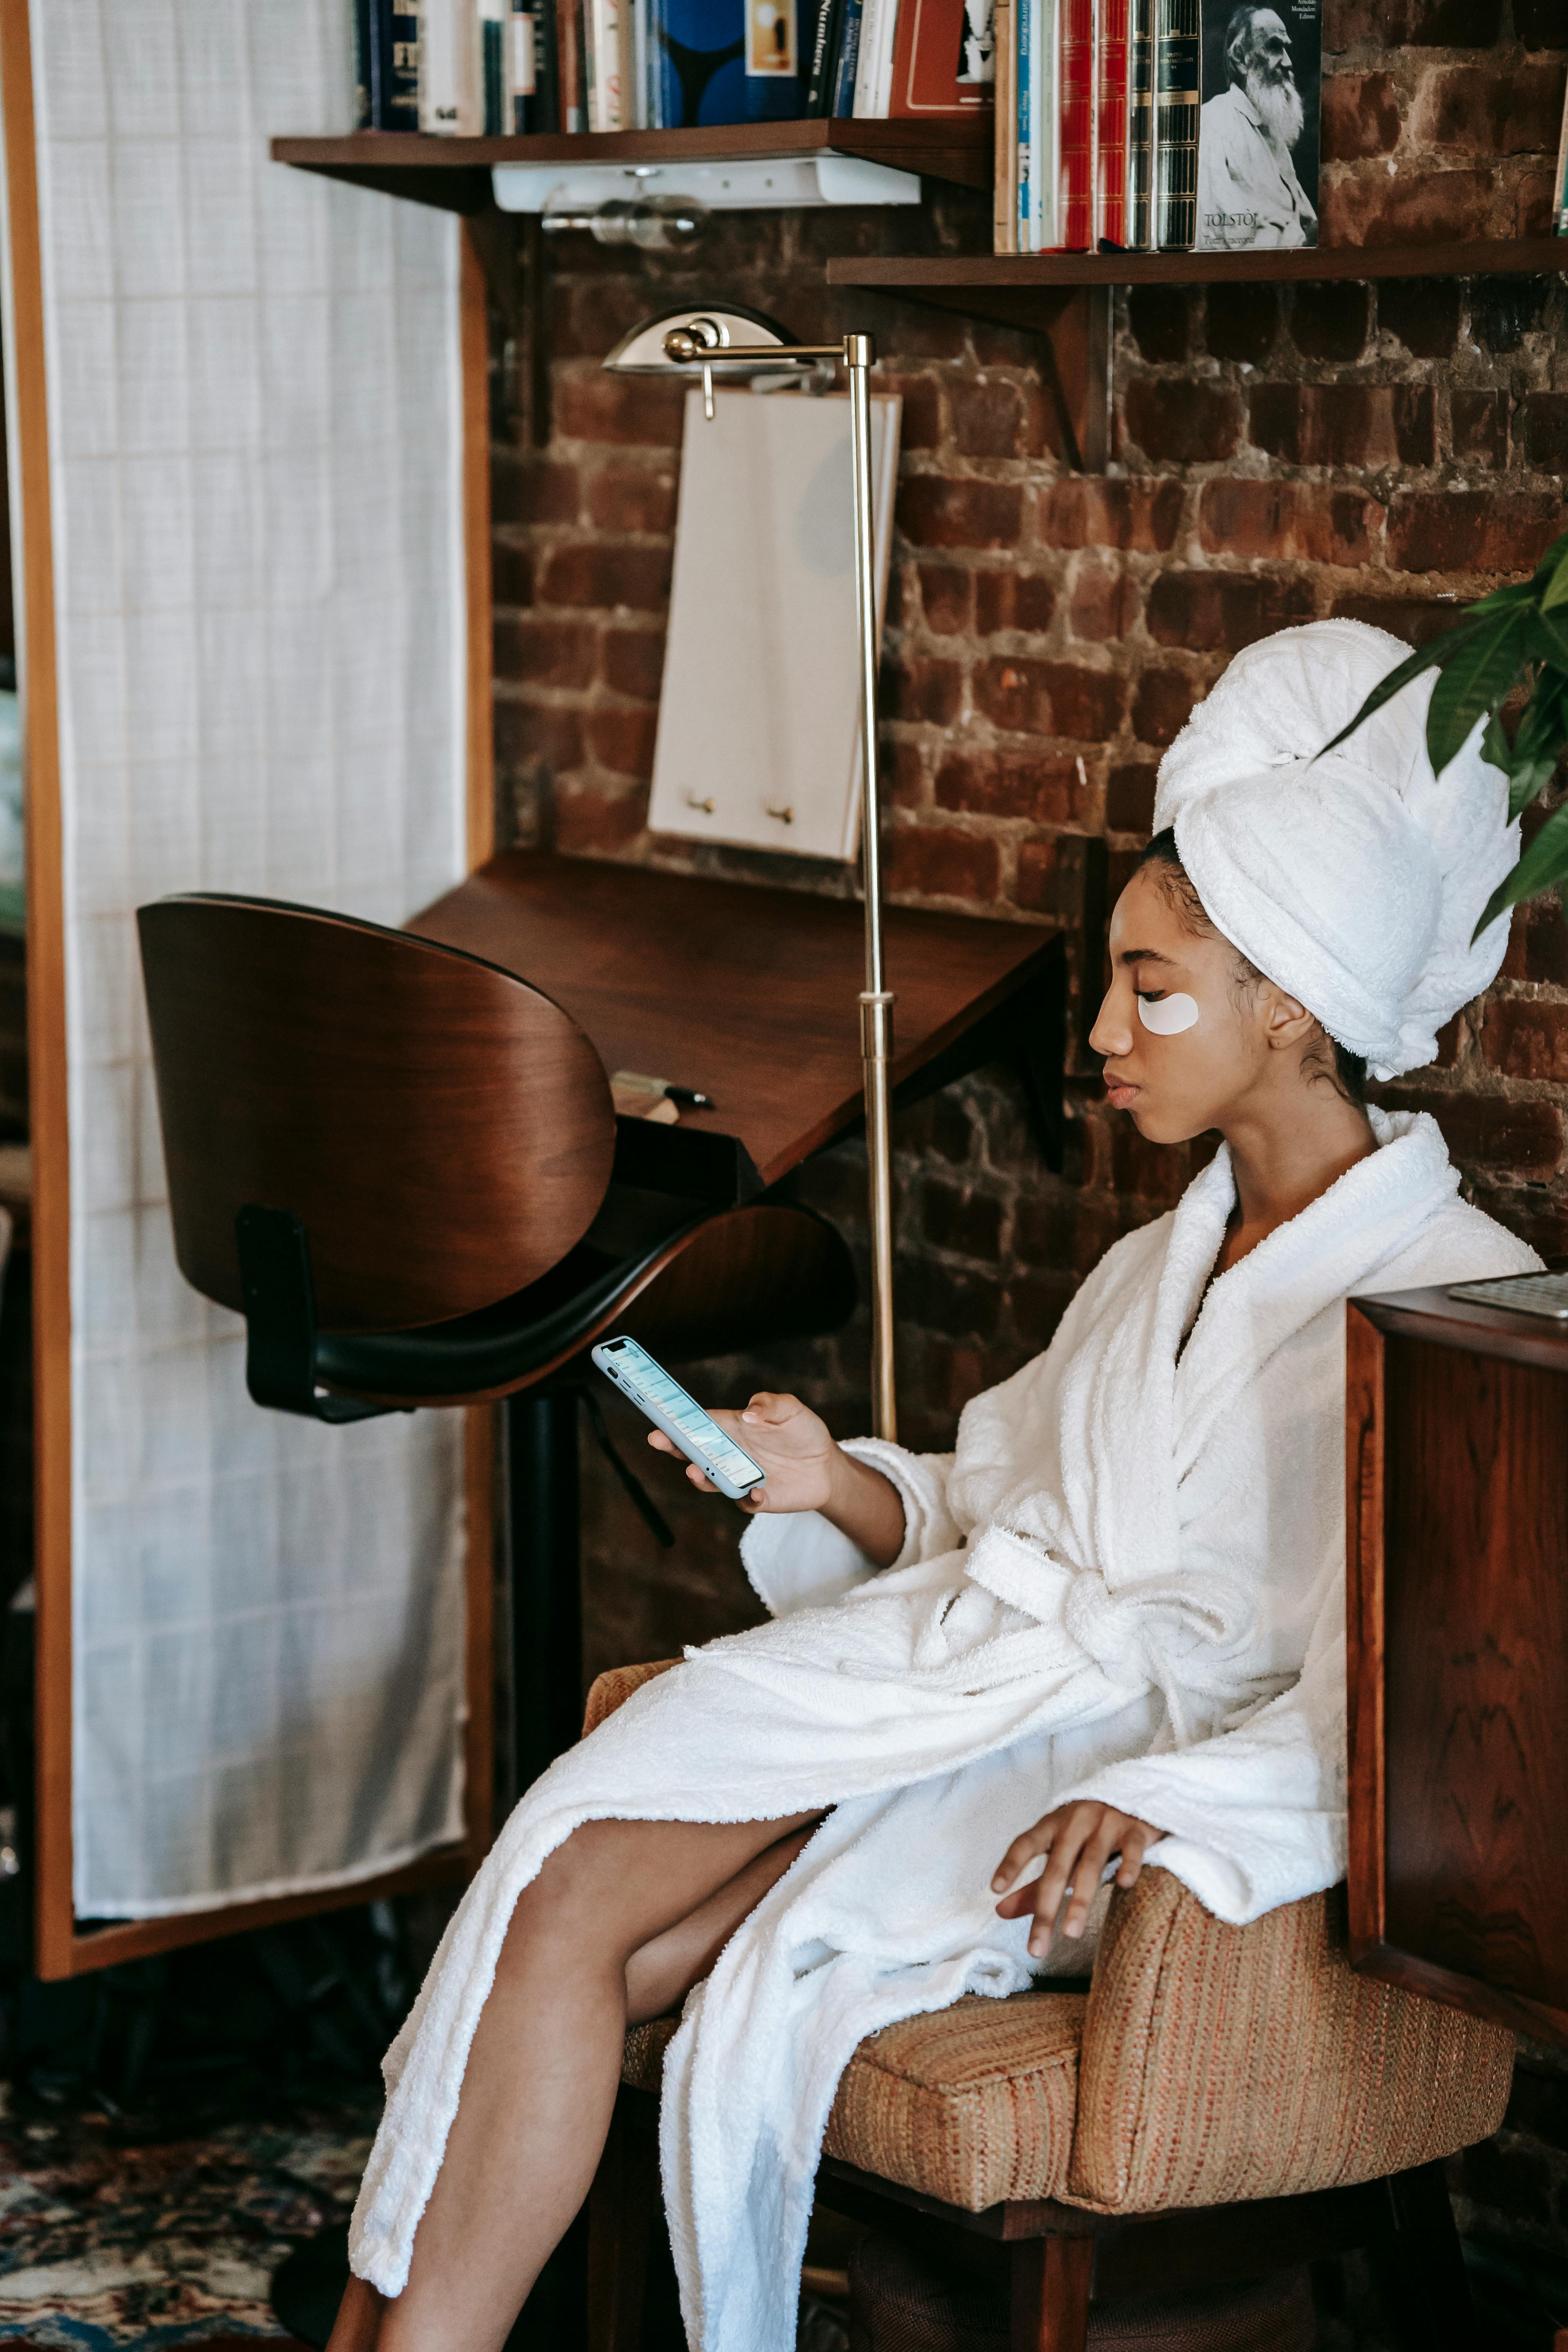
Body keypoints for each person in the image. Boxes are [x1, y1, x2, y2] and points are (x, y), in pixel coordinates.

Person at [328, 619, 1536, 2352]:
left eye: (1153, 985)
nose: (1107, 1027)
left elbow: (1441, 1690)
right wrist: (837, 1487)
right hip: (969, 1693)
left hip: (1098, 1775)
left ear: (1290, 1005)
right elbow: (990, 1500)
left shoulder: (1451, 1301)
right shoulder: (1158, 1264)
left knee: (577, 1895)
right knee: (607, 1942)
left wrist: (1188, 1809)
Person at [1197, 4, 1317, 251]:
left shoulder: (1272, 137)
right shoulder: (1215, 122)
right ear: (1241, 57)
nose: (1288, 62)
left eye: (1286, 49)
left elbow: (1306, 223)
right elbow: (1224, 235)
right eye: (1274, 47)